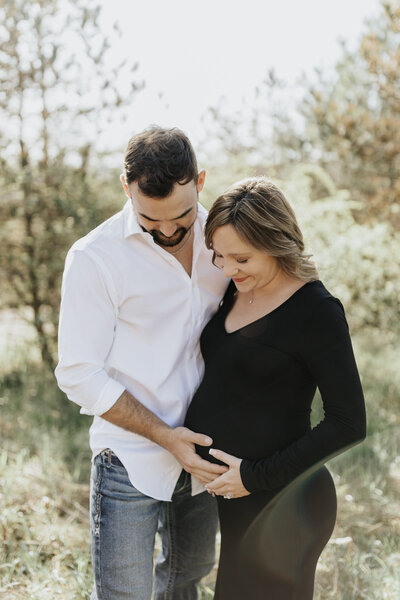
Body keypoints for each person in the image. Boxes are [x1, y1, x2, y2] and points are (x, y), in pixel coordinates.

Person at [55, 126, 229, 600]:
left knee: (185, 583)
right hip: (129, 459)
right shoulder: (94, 258)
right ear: (126, 188)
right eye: (152, 220)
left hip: (205, 457)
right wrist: (163, 436)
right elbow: (78, 374)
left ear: (201, 181)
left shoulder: (228, 239)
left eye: (182, 216)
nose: (169, 232)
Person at [184, 177, 366, 599]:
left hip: (286, 503)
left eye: (241, 258)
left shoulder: (317, 312)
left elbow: (348, 422)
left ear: (276, 242)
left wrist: (253, 476)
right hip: (238, 503)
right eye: (220, 256)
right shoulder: (236, 289)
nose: (228, 269)